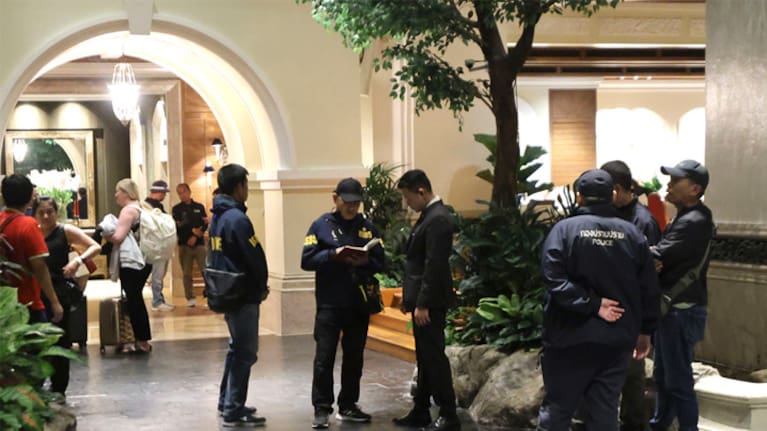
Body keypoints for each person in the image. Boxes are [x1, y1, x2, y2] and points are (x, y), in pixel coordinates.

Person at [536, 169, 659, 431]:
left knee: (557, 410)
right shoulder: (633, 234)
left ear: (579, 197)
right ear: (612, 195)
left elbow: (553, 278)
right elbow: (648, 287)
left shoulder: (563, 231)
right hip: (616, 340)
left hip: (569, 338)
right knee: (604, 414)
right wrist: (646, 330)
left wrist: (591, 305)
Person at [301, 178, 384, 429]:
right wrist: (332, 255)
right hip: (329, 303)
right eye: (347, 202)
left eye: (356, 203)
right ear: (335, 198)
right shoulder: (320, 226)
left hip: (357, 303)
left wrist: (366, 262)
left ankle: (348, 404)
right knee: (324, 358)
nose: (352, 207)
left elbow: (382, 262)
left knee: (354, 357)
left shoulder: (368, 229)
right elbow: (306, 260)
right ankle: (321, 408)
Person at [393, 169, 460, 431]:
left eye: (408, 197)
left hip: (431, 303)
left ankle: (448, 413)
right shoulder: (429, 216)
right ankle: (421, 409)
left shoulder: (438, 219)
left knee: (434, 357)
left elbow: (434, 266)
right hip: (423, 299)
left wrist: (422, 303)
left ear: (421, 191)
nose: (407, 203)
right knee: (424, 356)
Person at [649, 160, 714, 431]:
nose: (669, 185)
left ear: (695, 189)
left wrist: (651, 255)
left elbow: (656, 256)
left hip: (681, 311)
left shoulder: (695, 221)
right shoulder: (685, 217)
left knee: (678, 380)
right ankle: (659, 425)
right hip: (673, 310)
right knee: (664, 376)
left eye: (676, 181)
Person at [601, 160, 661, 431]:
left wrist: (644, 325)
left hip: (631, 314)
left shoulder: (643, 221)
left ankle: (633, 425)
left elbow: (650, 278)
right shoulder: (602, 215)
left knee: (632, 377)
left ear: (616, 189)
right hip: (603, 310)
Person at [209, 164, 269, 427]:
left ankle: (227, 401)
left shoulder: (217, 217)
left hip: (225, 290)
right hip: (242, 293)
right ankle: (233, 409)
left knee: (236, 349)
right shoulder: (237, 219)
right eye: (246, 184)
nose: (248, 189)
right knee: (246, 352)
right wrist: (261, 285)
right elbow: (253, 257)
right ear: (238, 187)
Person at [33, 196, 101, 398]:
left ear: (56, 212)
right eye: (41, 212)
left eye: (50, 212)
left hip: (59, 290)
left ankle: (59, 388)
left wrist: (77, 262)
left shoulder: (64, 231)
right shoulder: (32, 232)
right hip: (36, 291)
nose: (46, 216)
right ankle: (37, 387)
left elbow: (94, 246)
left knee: (61, 339)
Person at [0, 174, 63, 324]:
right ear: (30, 198)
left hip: (3, 301)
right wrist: (54, 301)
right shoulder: (28, 225)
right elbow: (39, 268)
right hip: (26, 301)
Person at [102, 178, 153, 354]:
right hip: (145, 260)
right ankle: (138, 338)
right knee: (135, 299)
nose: (115, 194)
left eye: (118, 191)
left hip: (132, 262)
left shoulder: (128, 211)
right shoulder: (142, 207)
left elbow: (118, 237)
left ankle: (141, 340)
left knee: (134, 300)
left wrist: (104, 233)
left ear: (126, 192)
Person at [172, 182, 208, 307]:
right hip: (184, 245)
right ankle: (190, 298)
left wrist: (197, 234)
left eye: (184, 192)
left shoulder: (199, 207)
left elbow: (204, 223)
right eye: (179, 193)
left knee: (205, 270)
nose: (182, 195)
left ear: (189, 192)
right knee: (187, 273)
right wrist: (190, 233)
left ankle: (210, 294)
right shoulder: (177, 209)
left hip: (199, 244)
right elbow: (178, 227)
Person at [145, 180, 175, 312]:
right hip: (155, 246)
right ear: (158, 192)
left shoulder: (156, 206)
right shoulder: (147, 207)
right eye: (163, 193)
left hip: (159, 245)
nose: (165, 196)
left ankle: (159, 299)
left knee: (159, 275)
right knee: (157, 275)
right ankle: (157, 301)